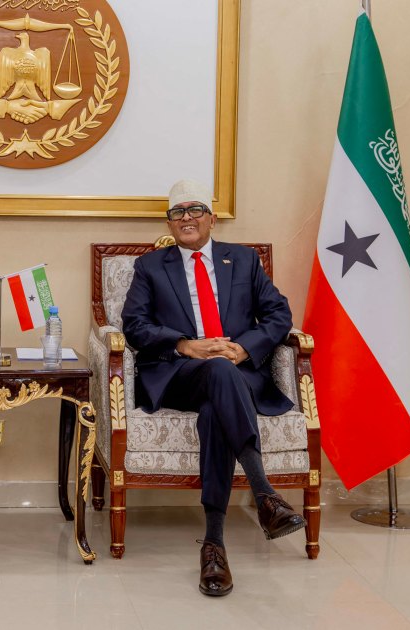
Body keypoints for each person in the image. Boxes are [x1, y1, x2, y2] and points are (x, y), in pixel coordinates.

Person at [120, 179, 305, 597]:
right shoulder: (151, 266)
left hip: (236, 373)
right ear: (169, 223)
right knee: (216, 373)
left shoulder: (244, 260)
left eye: (195, 209)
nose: (186, 218)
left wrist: (243, 348)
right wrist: (185, 345)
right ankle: (265, 494)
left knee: (214, 408)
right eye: (177, 212)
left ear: (212, 218)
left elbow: (278, 314)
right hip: (178, 374)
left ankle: (214, 545)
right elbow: (135, 326)